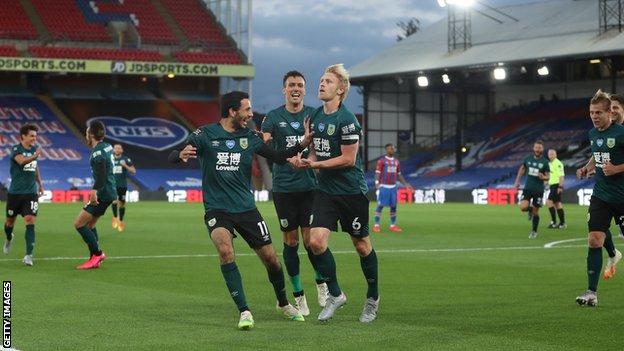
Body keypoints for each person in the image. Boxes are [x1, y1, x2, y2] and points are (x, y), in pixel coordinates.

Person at [168, 91, 307, 330]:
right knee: (225, 250)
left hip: (246, 209)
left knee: (272, 260)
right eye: (247, 110)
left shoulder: (251, 137)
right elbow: (173, 155)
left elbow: (278, 156)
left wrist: (302, 144)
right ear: (232, 111)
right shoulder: (204, 134)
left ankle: (283, 303)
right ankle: (244, 311)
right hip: (217, 209)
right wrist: (180, 155)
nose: (251, 114)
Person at [295, 64, 379, 323]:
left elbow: (348, 160)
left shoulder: (348, 120)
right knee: (315, 242)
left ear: (341, 89)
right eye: (321, 80)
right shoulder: (315, 118)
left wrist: (315, 164)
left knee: (362, 246)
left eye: (328, 81)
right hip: (325, 191)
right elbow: (314, 153)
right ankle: (335, 294)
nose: (321, 84)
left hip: (351, 192)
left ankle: (372, 298)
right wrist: (305, 156)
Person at [261, 70, 327, 315]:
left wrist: (308, 159)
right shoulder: (273, 117)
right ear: (284, 90)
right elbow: (265, 147)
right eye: (291, 85)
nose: (295, 88)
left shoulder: (314, 114)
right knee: (291, 241)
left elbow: (318, 148)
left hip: (309, 187)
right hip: (284, 188)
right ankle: (299, 295)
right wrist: (289, 159)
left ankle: (321, 283)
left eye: (299, 84)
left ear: (304, 89)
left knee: (311, 242)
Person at [575, 91, 624, 306]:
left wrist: (617, 169)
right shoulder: (593, 134)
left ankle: (614, 255)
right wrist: (586, 168)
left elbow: (613, 164)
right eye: (591, 113)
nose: (594, 116)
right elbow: (597, 155)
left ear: (609, 114)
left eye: (598, 113)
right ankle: (591, 292)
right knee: (595, 240)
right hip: (601, 195)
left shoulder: (621, 133)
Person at [73, 121, 114, 270]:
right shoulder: (107, 146)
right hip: (110, 191)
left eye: (86, 133)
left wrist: (94, 191)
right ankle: (94, 259)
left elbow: (102, 173)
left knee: (79, 224)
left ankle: (97, 254)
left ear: (91, 135)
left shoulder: (97, 152)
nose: (85, 135)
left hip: (103, 192)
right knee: (90, 225)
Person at [3, 124, 44, 266]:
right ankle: (9, 237)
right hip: (15, 193)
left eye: (35, 136)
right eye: (32, 135)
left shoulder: (33, 150)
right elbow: (21, 161)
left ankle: (28, 255)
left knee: (30, 220)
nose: (34, 138)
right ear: (23, 136)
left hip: (31, 193)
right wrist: (36, 155)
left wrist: (41, 185)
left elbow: (35, 167)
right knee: (9, 222)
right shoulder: (16, 149)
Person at [373, 143, 413, 233]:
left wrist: (405, 184)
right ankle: (376, 225)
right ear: (387, 149)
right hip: (384, 186)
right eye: (391, 148)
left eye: (394, 148)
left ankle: (393, 226)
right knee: (380, 206)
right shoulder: (382, 161)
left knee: (393, 206)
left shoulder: (396, 162)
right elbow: (377, 173)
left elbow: (399, 175)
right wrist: (376, 183)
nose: (393, 149)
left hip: (393, 187)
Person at [514, 141, 550, 238]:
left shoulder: (545, 162)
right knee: (522, 207)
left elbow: (548, 176)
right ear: (533, 148)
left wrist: (543, 177)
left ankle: (534, 231)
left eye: (539, 148)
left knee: (536, 212)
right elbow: (522, 169)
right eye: (536, 148)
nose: (538, 150)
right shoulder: (528, 159)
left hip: (538, 190)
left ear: (542, 149)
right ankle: (530, 210)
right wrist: (517, 181)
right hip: (527, 188)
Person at [111, 144, 136, 232]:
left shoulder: (126, 159)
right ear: (113, 150)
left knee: (122, 203)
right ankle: (115, 217)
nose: (117, 149)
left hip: (122, 185)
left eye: (119, 148)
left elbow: (133, 171)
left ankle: (121, 220)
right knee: (114, 200)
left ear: (122, 150)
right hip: (113, 185)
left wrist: (125, 165)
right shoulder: (110, 159)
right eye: (116, 148)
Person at [546, 149, 566, 229]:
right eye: (549, 154)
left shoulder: (558, 163)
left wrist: (560, 186)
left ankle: (554, 222)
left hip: (556, 185)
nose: (550, 155)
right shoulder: (550, 163)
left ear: (556, 155)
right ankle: (562, 223)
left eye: (552, 154)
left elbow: (561, 176)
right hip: (552, 186)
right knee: (557, 204)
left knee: (549, 202)